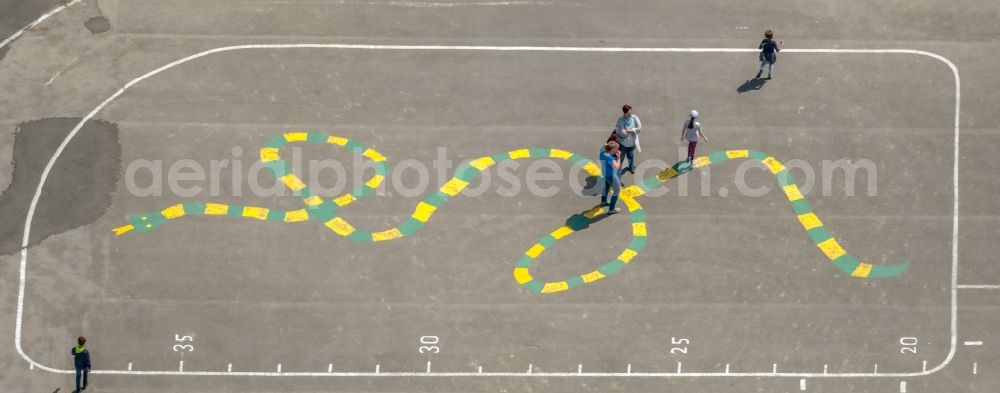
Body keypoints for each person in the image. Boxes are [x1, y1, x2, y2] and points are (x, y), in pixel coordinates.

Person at [613, 104, 641, 176]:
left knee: (631, 156)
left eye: (631, 112)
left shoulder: (635, 118)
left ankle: (632, 168)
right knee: (620, 158)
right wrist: (631, 131)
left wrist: (629, 130)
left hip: (632, 143)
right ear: (624, 113)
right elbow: (622, 133)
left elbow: (639, 128)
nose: (630, 115)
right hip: (623, 144)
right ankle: (618, 172)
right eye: (628, 113)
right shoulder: (620, 120)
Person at [599, 141, 622, 214]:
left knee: (606, 186)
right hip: (611, 176)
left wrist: (609, 144)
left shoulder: (602, 152)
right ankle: (611, 209)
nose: (618, 150)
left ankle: (603, 201)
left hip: (604, 173)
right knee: (617, 191)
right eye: (617, 149)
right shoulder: (610, 158)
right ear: (612, 149)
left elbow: (604, 145)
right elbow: (616, 167)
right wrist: (618, 158)